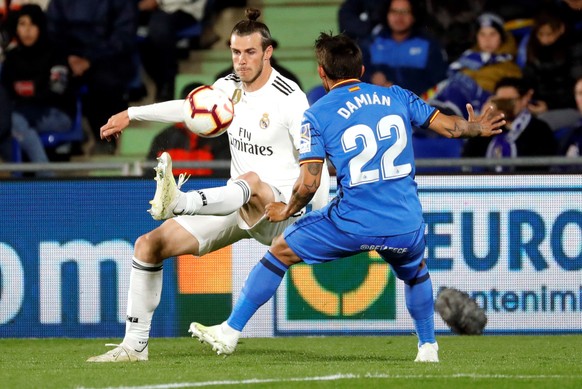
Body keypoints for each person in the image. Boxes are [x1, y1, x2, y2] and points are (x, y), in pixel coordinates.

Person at [188, 32, 505, 362]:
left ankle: (229, 331)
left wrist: (287, 208)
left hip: (353, 221)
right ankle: (428, 348)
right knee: (416, 272)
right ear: (362, 69)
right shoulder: (397, 96)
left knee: (280, 251)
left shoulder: (317, 114)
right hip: (405, 221)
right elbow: (450, 126)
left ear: (322, 73)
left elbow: (309, 182)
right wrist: (477, 128)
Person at [86, 8, 330, 363]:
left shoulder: (290, 99)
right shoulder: (227, 87)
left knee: (251, 180)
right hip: (235, 201)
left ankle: (181, 201)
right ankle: (134, 346)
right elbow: (187, 109)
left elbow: (314, 163)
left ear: (267, 52)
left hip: (280, 210)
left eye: (249, 53)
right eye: (235, 52)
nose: (241, 61)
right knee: (148, 245)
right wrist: (132, 113)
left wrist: (314, 215)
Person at [45, 0, 138, 155]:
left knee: (104, 81)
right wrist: (69, 57)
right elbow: (53, 31)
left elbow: (124, 34)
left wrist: (89, 59)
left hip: (108, 56)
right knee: (50, 75)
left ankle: (105, 137)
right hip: (69, 56)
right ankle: (69, 138)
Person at [1, 4, 75, 167]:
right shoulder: (12, 58)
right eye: (22, 24)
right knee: (12, 125)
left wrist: (29, 98)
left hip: (57, 114)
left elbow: (57, 89)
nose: (27, 30)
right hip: (23, 117)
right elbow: (7, 93)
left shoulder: (56, 52)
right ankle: (28, 175)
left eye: (32, 24)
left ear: (41, 26)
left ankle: (42, 176)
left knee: (12, 123)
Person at [429, 12, 522, 118]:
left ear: (501, 37)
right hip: (450, 99)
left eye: (493, 34)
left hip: (481, 109)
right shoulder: (467, 57)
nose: (487, 40)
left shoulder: (511, 68)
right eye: (482, 34)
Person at [462, 76, 557, 170]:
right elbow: (468, 160)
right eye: (500, 102)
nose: (505, 107)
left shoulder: (539, 129)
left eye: (509, 102)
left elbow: (540, 168)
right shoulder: (490, 128)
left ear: (524, 99)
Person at [365, 0, 448, 97]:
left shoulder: (428, 44)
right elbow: (358, 75)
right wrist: (372, 79)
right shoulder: (373, 42)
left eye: (405, 12)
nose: (399, 17)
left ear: (413, 16)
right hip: (378, 103)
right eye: (394, 11)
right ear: (387, 14)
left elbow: (441, 84)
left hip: (418, 106)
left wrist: (399, 93)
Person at [137, 0, 215, 102]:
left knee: (159, 30)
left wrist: (157, 1)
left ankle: (168, 82)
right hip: (153, 12)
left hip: (182, 8)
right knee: (138, 35)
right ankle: (157, 83)